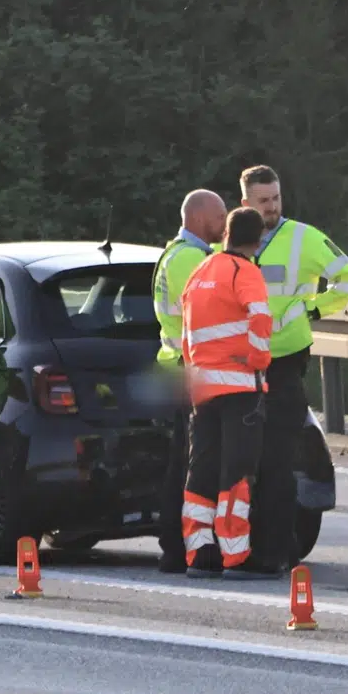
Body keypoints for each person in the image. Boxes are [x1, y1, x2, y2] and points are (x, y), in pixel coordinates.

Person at [239, 164, 348, 577]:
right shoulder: (233, 237)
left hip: (285, 361)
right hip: (241, 362)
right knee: (245, 461)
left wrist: (312, 307)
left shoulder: (304, 238)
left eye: (276, 199)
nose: (272, 207)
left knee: (278, 459)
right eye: (263, 201)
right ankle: (247, 545)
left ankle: (274, 551)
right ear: (246, 203)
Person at [179, 207, 273, 579]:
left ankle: (199, 551)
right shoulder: (245, 271)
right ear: (258, 239)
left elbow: (186, 330)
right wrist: (257, 359)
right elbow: (261, 317)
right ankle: (235, 555)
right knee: (237, 472)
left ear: (227, 235)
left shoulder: (201, 270)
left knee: (200, 469)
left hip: (202, 387)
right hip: (238, 387)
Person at [150, 188, 226, 574]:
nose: (225, 223)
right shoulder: (192, 261)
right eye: (219, 216)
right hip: (191, 368)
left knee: (183, 460)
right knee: (189, 464)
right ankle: (178, 546)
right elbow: (209, 316)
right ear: (198, 218)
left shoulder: (179, 254)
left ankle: (177, 545)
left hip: (181, 367)